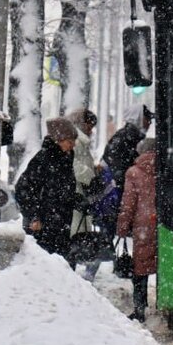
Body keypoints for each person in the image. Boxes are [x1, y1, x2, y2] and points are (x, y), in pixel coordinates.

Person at [14, 117, 78, 263]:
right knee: (45, 264)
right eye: (69, 141)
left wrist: (76, 200)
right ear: (58, 140)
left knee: (61, 264)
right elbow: (23, 188)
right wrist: (34, 216)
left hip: (62, 223)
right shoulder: (43, 159)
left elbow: (63, 189)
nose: (73, 145)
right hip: (43, 226)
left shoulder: (66, 158)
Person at [115, 138, 158, 322]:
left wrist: (122, 227)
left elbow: (128, 203)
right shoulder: (166, 168)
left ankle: (140, 309)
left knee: (141, 266)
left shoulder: (134, 172)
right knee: (165, 263)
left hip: (144, 225)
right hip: (164, 223)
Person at [66, 108, 107, 280]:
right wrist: (91, 176)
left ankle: (71, 274)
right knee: (74, 237)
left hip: (80, 194)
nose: (91, 130)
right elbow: (74, 165)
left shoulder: (80, 142)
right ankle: (69, 274)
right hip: (77, 193)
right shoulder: (76, 142)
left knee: (76, 236)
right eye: (90, 126)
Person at [103, 103, 152, 198]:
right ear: (138, 118)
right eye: (147, 119)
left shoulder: (131, 137)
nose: (149, 123)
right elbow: (117, 168)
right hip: (118, 192)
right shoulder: (125, 138)